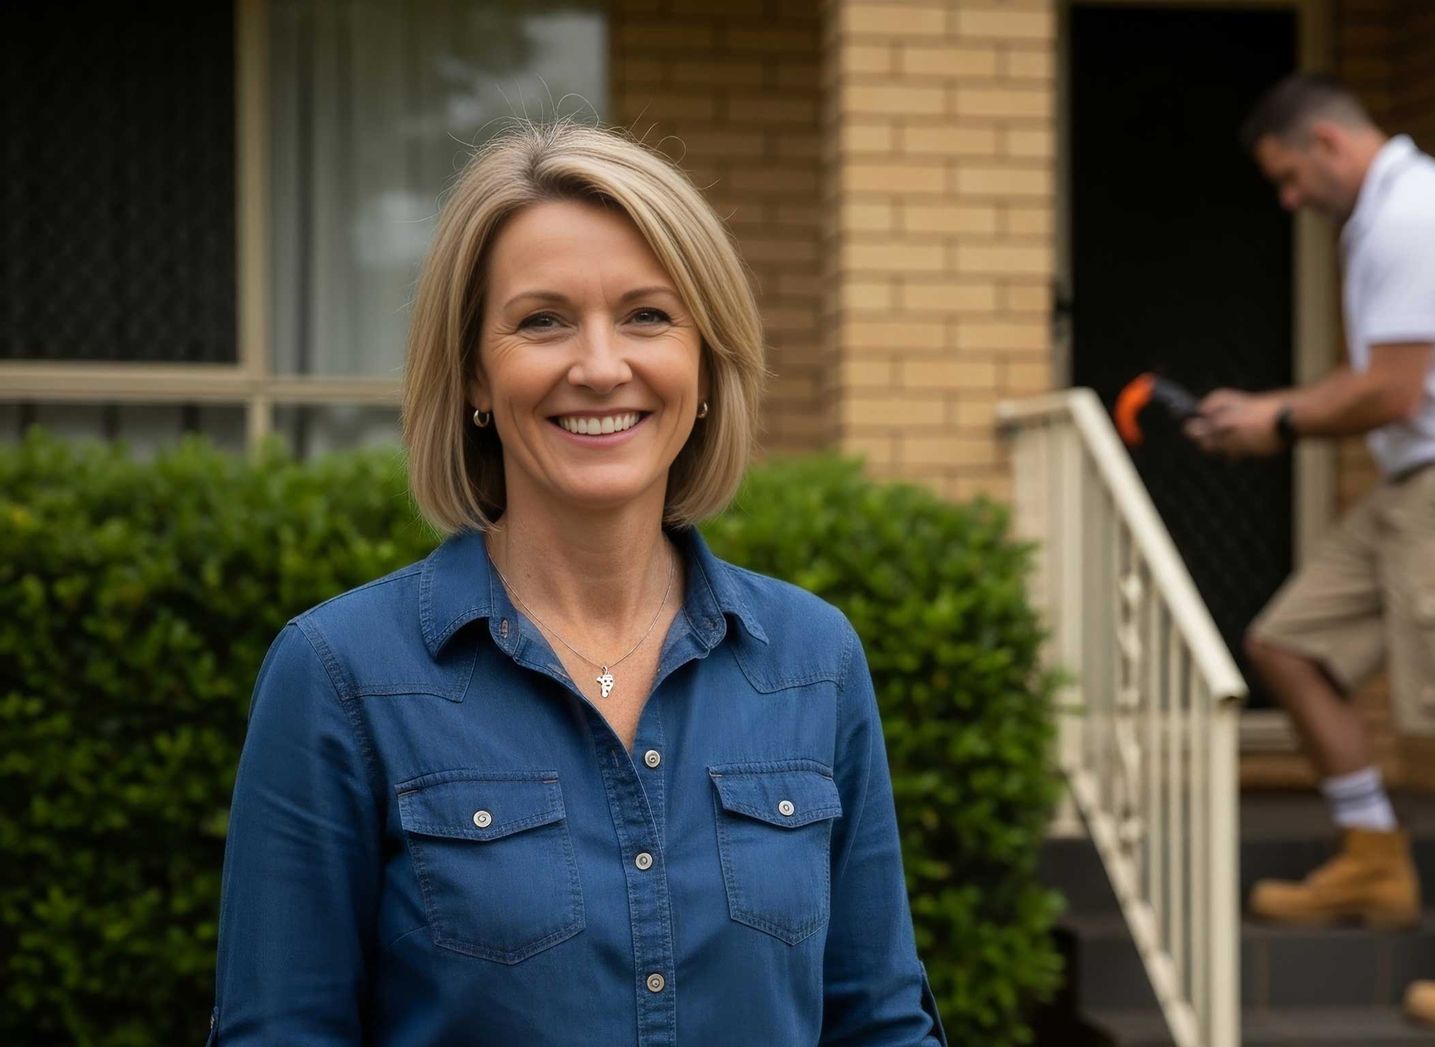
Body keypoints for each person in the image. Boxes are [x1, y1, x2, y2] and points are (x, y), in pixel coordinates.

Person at [208, 122, 946, 1045]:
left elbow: (880, 1022)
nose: (600, 367)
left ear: (705, 365)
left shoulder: (812, 659)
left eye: (648, 316)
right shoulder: (339, 674)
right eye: (543, 320)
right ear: (475, 375)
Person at [1185, 74, 1435, 1029]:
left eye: (1289, 177)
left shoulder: (1412, 216)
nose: (1289, 200)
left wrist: (1277, 420)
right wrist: (1270, 409)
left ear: (1327, 141)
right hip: (1418, 486)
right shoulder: (1386, 216)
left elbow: (1393, 390)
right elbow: (1383, 383)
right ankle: (1372, 859)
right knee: (1289, 643)